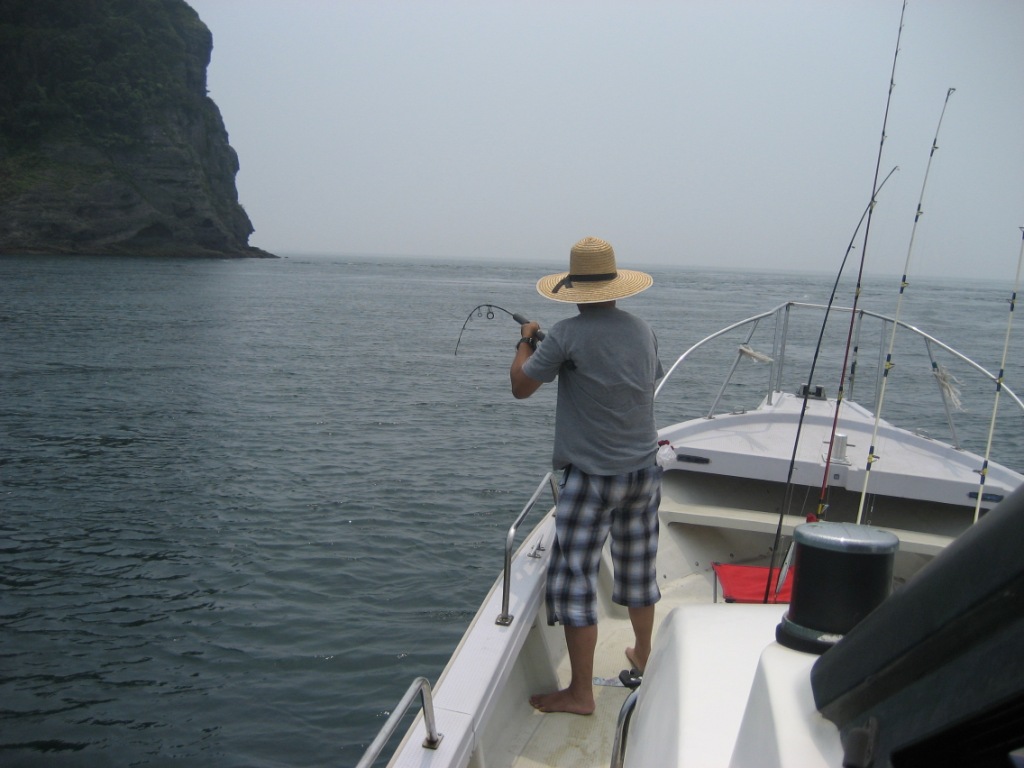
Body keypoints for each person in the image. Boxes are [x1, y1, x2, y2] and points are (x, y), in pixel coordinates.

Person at [510, 236, 664, 715]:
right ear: (616, 286)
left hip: (594, 476)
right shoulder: (642, 329)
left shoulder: (564, 335)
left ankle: (580, 694)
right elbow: (643, 378)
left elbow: (521, 386)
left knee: (575, 578)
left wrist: (526, 341)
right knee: (638, 566)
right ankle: (644, 652)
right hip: (643, 471)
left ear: (574, 290)